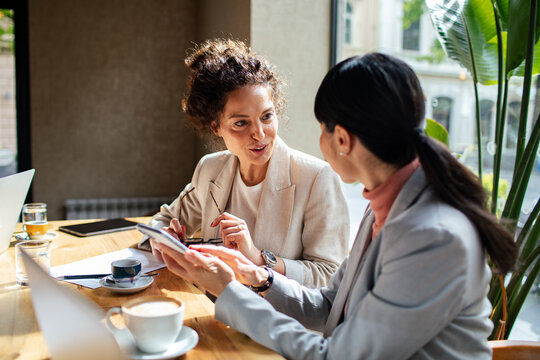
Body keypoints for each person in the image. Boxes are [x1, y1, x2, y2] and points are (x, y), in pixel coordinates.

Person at [156, 53, 518, 359]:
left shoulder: (432, 235)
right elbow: (331, 306)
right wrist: (261, 279)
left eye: (321, 129)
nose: (262, 134)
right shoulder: (385, 206)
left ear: (341, 138)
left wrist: (230, 291)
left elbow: (334, 354)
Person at [139, 39, 349, 288]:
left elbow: (330, 277)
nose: (259, 134)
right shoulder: (210, 169)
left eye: (267, 116)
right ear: (216, 126)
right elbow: (162, 221)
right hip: (214, 309)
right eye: (241, 123)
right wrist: (165, 238)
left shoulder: (317, 178)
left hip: (278, 321)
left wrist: (260, 259)